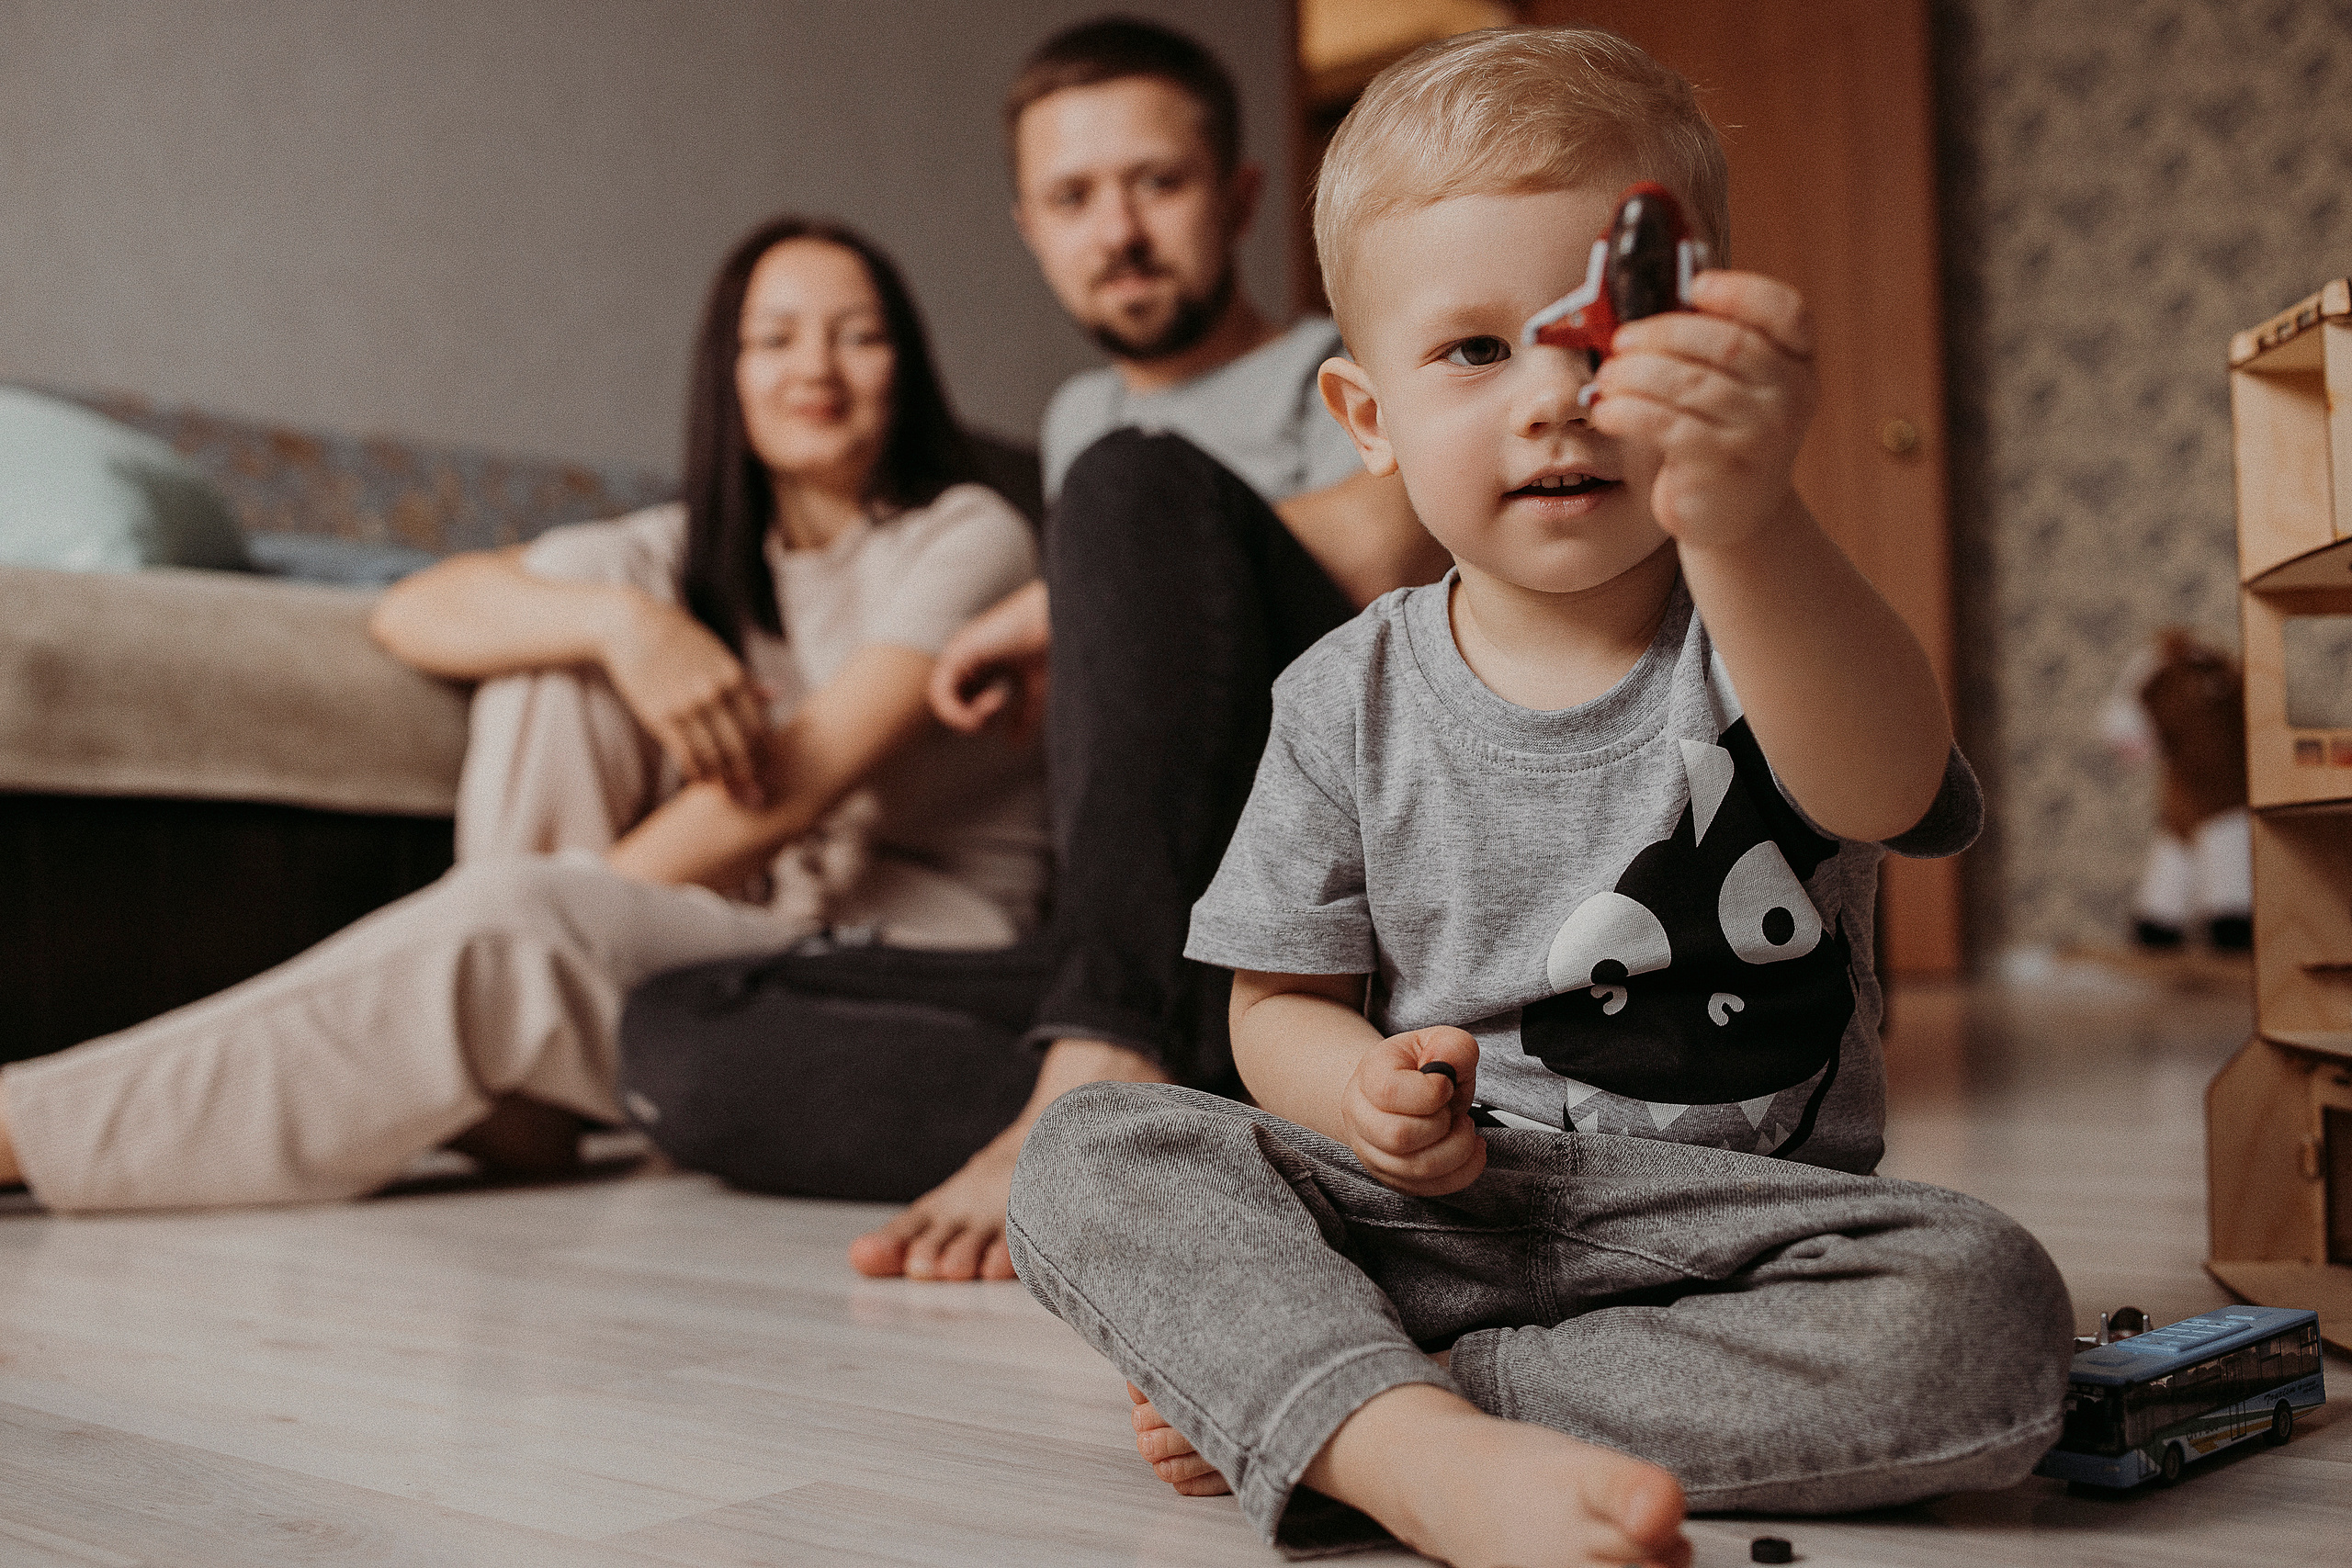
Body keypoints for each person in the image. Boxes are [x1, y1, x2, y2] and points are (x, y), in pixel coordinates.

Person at [1002, 28, 2072, 1568]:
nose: (1554, 397)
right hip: (1434, 1218)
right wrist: (1354, 1093)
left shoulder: (1765, 620)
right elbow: (1271, 1008)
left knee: (1989, 1311)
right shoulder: (1339, 696)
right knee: (1094, 1146)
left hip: (1730, 1239)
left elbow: (1886, 777)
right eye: (1475, 351)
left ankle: (1385, 1417)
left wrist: (1752, 518)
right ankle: (1397, 1426)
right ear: (1368, 422)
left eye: (1603, 335)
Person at [619, 16, 1451, 1283]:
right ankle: (1221, 1116)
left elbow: (1396, 538)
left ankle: (1109, 1062)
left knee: (1131, 481)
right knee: (674, 1035)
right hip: (1150, 946)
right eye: (1073, 197)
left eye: (1157, 185)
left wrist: (1064, 596)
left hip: (1327, 926)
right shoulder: (1078, 412)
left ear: (1236, 196)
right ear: (1029, 224)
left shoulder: (1325, 372)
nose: (1115, 232)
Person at [0, 215, 1045, 1210]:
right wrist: (623, 628)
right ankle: (523, 1087)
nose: (813, 368)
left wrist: (524, 912)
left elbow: (794, 786)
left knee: (503, 935)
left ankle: (19, 1134)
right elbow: (414, 610)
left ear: (904, 368)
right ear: (726, 375)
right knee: (557, 649)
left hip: (912, 949)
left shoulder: (972, 534)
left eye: (856, 337)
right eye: (773, 338)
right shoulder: (679, 552)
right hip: (742, 923)